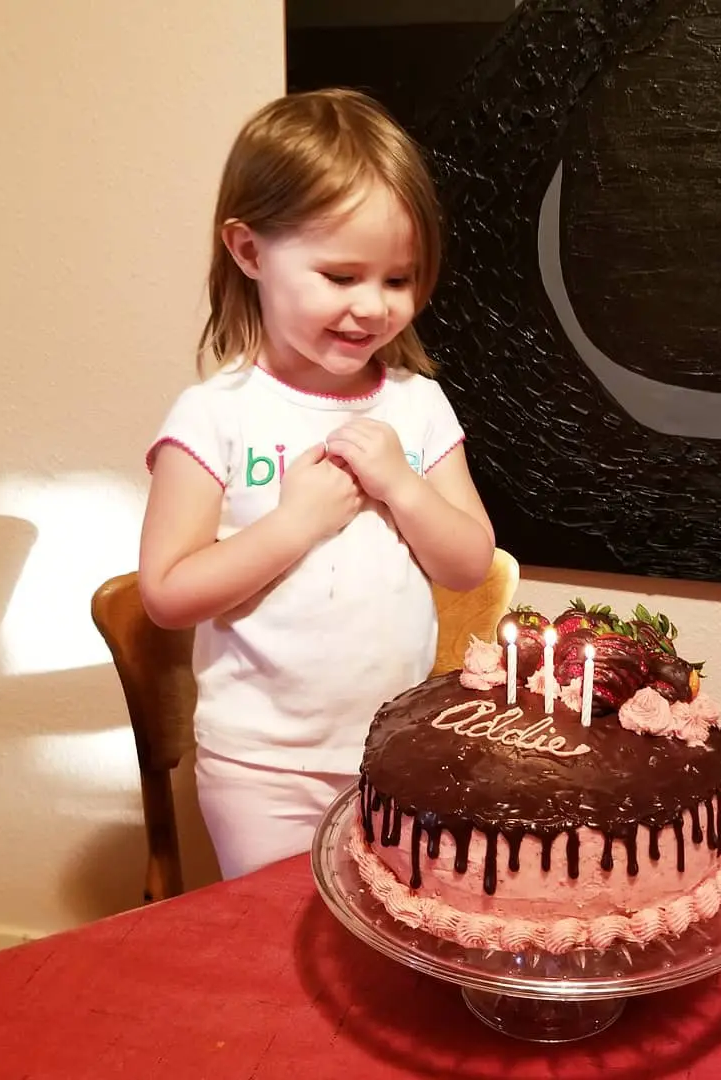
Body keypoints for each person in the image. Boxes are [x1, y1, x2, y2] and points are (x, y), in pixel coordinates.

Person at [138, 89, 495, 879]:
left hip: (400, 752)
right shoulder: (215, 415)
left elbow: (469, 561)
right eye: (340, 274)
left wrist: (401, 485)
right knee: (276, 951)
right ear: (250, 251)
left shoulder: (416, 403)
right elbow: (166, 591)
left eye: (399, 279)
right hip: (265, 768)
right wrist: (295, 525)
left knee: (391, 941)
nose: (372, 306)